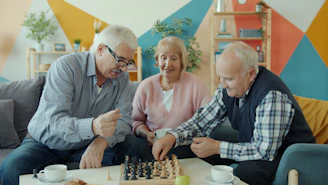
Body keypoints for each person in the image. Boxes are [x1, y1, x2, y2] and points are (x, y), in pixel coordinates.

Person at [152, 41, 315, 185]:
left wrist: (218, 147)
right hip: (258, 148)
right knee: (193, 149)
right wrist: (172, 137)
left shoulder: (271, 95)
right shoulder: (227, 88)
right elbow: (202, 120)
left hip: (288, 156)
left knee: (247, 172)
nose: (222, 85)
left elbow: (264, 151)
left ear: (250, 74)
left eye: (228, 79)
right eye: (220, 78)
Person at [0, 25, 139, 185]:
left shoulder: (122, 78)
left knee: (134, 146)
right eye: (120, 60)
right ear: (101, 50)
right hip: (46, 143)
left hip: (87, 143)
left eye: (128, 63)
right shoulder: (67, 67)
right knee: (11, 168)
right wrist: (93, 126)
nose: (123, 68)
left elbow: (124, 120)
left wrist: (100, 142)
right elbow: (54, 121)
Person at [129, 36, 211, 161]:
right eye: (163, 58)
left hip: (185, 145)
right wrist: (147, 134)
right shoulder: (146, 86)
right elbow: (135, 121)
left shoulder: (196, 84)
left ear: (181, 62)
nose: (168, 64)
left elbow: (207, 120)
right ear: (157, 61)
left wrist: (175, 138)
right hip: (151, 145)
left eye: (174, 58)